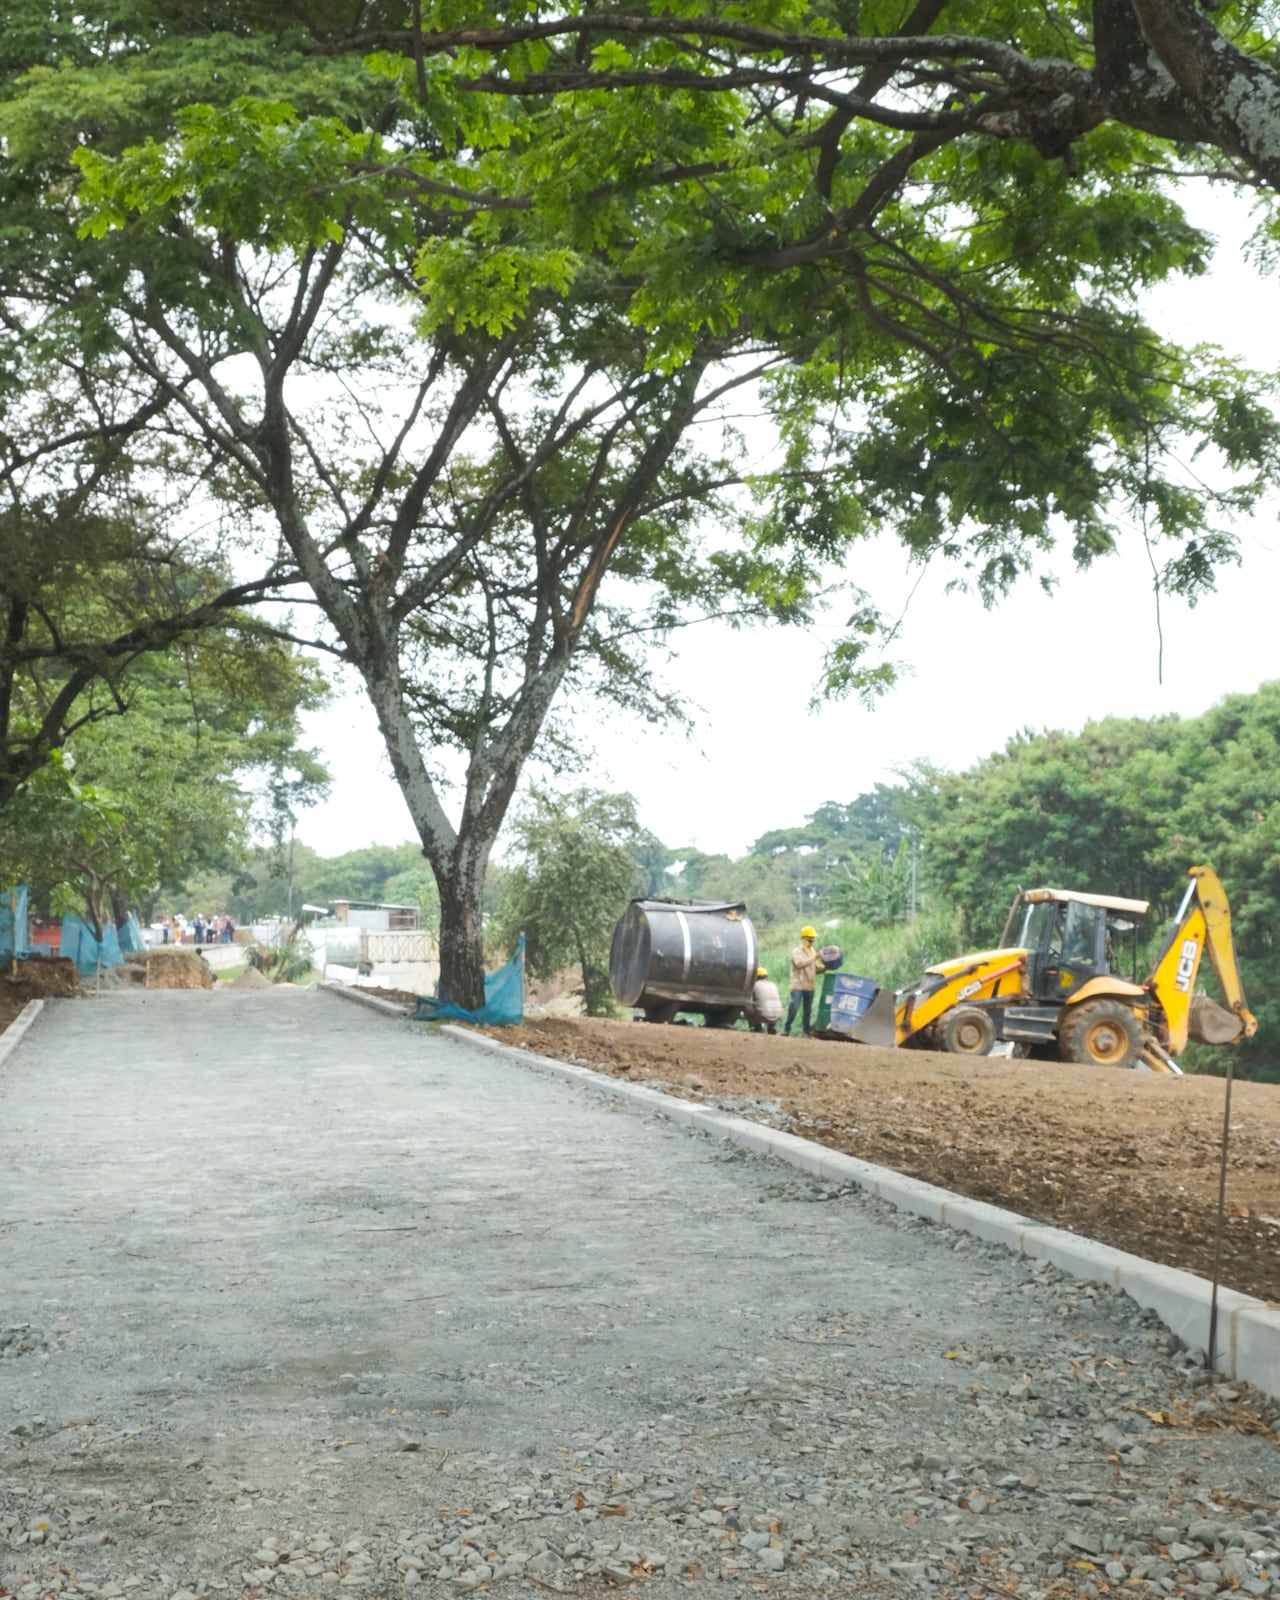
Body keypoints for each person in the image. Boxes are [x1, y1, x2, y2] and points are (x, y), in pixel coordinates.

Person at [783, 924, 822, 1037]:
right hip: (798, 985)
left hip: (809, 985)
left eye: (813, 940)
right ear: (804, 939)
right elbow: (799, 964)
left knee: (807, 1011)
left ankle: (806, 1032)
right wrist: (814, 957)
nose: (812, 942)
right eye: (810, 940)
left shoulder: (812, 952)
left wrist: (823, 967)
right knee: (794, 1007)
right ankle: (787, 1028)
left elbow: (815, 969)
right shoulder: (796, 951)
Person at [744, 966, 782, 1034]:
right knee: (770, 1005)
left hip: (763, 1016)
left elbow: (751, 999)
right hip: (776, 1016)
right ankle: (771, 1027)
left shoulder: (754, 985)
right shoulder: (773, 985)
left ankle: (757, 1027)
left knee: (746, 1005)